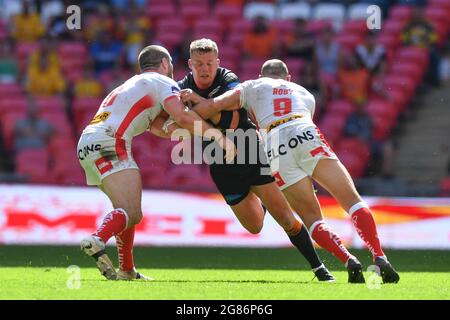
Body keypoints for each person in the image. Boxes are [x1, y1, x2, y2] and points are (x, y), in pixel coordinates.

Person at [187, 59, 400, 284]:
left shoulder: (252, 87)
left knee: (312, 218)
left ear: (262, 76)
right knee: (352, 201)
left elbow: (213, 106)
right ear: (288, 78)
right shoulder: (304, 93)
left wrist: (186, 111)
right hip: (305, 132)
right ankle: (379, 256)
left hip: (274, 145)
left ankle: (349, 260)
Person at [157, 39, 335, 282]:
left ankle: (319, 268)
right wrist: (190, 120)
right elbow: (181, 124)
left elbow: (232, 120)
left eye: (209, 63)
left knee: (285, 218)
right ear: (190, 64)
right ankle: (263, 199)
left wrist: (192, 116)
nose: (205, 68)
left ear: (217, 62)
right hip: (220, 164)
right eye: (199, 63)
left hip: (252, 152)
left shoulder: (228, 79)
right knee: (254, 226)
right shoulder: (179, 88)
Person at [78, 45, 236, 281]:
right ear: (164, 63)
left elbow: (160, 128)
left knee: (125, 210)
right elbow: (182, 116)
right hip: (112, 142)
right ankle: (97, 238)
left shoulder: (132, 85)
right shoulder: (162, 82)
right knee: (132, 212)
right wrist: (218, 137)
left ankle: (127, 270)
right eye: (170, 63)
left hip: (87, 143)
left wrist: (190, 130)